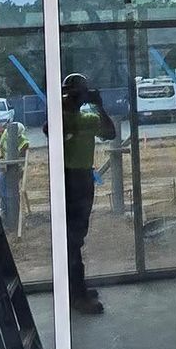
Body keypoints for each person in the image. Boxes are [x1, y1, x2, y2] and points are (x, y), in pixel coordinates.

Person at [58, 73, 116, 314]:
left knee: (76, 236)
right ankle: (77, 294)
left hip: (81, 178)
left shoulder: (86, 118)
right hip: (71, 179)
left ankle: (76, 288)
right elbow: (50, 128)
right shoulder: (66, 118)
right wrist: (93, 104)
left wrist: (97, 106)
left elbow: (110, 133)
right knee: (71, 239)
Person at [0, 115, 29, 234]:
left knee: (10, 192)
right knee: (1, 188)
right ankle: (5, 214)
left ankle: (11, 219)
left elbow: (23, 155)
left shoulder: (23, 141)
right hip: (5, 168)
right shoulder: (5, 135)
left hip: (14, 170)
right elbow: (1, 152)